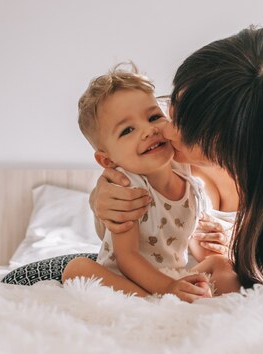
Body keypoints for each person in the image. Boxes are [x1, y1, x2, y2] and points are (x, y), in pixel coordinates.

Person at [89, 25, 263, 304]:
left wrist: (232, 253)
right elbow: (126, 241)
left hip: (185, 281)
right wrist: (101, 203)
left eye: (186, 125)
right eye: (172, 107)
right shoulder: (166, 161)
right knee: (54, 270)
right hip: (142, 276)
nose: (165, 131)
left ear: (236, 144)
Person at [61, 64, 237, 302]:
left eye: (154, 117)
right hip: (128, 278)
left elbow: (186, 236)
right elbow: (127, 257)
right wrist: (168, 288)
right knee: (77, 268)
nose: (148, 130)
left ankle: (229, 308)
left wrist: (205, 253)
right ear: (107, 159)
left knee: (220, 262)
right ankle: (151, 302)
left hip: (172, 275)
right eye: (128, 130)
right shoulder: (128, 188)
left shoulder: (187, 173)